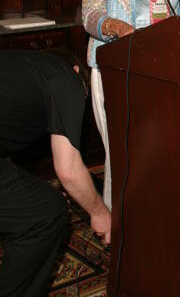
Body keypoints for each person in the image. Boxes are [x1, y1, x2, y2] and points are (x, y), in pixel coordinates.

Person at [82, 0, 180, 209]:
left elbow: (176, 12)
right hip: (115, 70)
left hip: (160, 70)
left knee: (157, 154)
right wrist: (117, 27)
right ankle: (119, 230)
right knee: (124, 155)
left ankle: (152, 224)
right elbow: (90, 16)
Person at [0, 48, 111, 297]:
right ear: (76, 72)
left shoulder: (22, 69)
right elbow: (69, 171)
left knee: (35, 202)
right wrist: (100, 212)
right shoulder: (65, 77)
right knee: (46, 214)